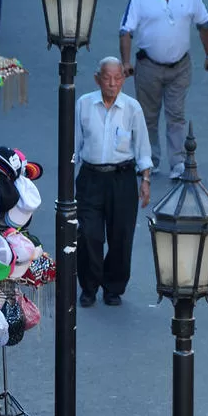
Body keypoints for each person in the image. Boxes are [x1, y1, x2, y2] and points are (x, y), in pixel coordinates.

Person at [119, 0, 208, 179]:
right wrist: (125, 62)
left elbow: (203, 24)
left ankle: (179, 162)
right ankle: (149, 160)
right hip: (148, 66)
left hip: (180, 66)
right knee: (148, 116)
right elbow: (125, 31)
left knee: (176, 115)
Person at [75, 58, 153, 307]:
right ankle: (88, 287)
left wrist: (146, 180)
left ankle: (113, 287)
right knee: (88, 234)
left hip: (122, 179)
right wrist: (68, 180)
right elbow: (73, 145)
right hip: (90, 177)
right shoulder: (84, 104)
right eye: (107, 78)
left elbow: (142, 148)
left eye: (117, 78)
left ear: (123, 79)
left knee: (121, 236)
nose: (112, 83)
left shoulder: (132, 108)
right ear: (97, 79)